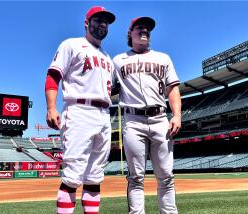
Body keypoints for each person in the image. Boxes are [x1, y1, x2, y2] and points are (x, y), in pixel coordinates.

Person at [45, 6, 115, 214]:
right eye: (98, 19)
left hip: (103, 115)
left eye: (106, 21)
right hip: (79, 111)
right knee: (73, 175)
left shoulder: (107, 57)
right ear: (86, 22)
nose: (103, 23)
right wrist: (51, 108)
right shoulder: (72, 44)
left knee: (95, 175)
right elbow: (53, 75)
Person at [113, 17, 181, 214]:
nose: (144, 30)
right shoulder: (118, 60)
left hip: (160, 119)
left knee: (166, 176)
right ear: (130, 32)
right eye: (140, 27)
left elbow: (173, 89)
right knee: (135, 177)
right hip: (133, 121)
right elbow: (107, 88)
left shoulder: (163, 58)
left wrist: (176, 115)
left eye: (148, 28)